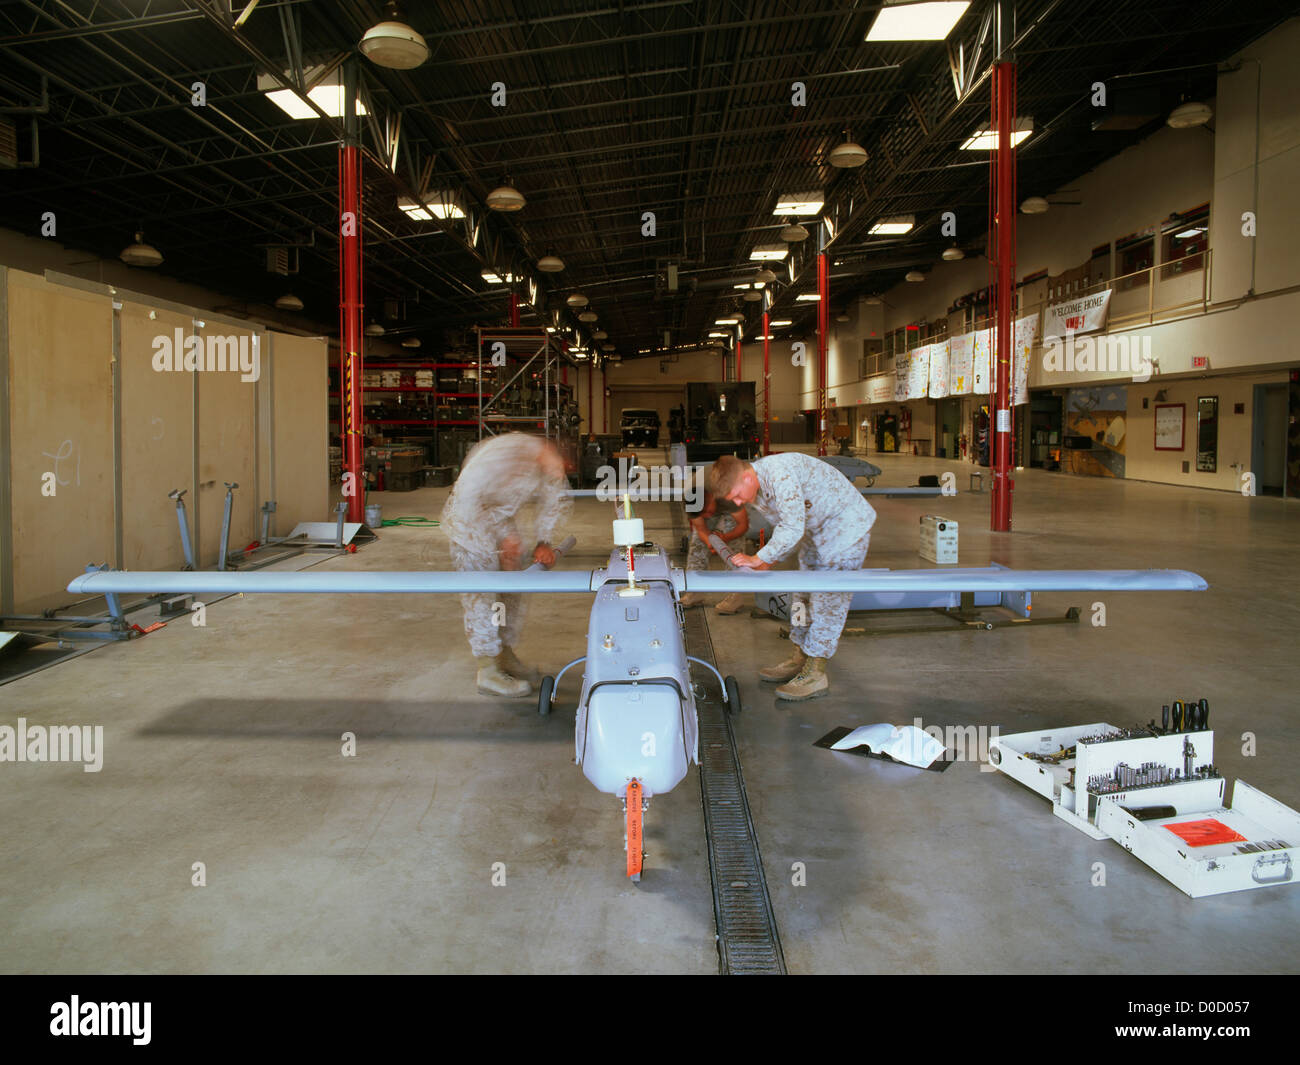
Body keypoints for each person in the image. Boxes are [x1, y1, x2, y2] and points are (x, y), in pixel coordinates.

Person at [708, 453, 876, 702]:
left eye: (735, 494)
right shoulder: (754, 488)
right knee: (801, 595)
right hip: (816, 531)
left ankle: (816, 673)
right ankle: (800, 655)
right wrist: (766, 561)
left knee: (827, 601)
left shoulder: (779, 474)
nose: (737, 502)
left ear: (746, 476)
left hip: (846, 528)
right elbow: (788, 526)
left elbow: (791, 527)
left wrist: (758, 558)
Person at [440, 433, 571, 697]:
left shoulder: (550, 463)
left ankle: (504, 654)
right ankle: (487, 669)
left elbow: (555, 499)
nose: (558, 473)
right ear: (546, 449)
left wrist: (543, 541)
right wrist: (503, 537)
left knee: (511, 589)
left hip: (502, 521)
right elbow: (468, 496)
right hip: (469, 524)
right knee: (481, 594)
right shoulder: (504, 453)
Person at [679, 488, 750, 614]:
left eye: (708, 511)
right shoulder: (690, 500)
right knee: (697, 543)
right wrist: (710, 543)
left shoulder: (729, 496)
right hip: (706, 500)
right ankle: (695, 590)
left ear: (711, 498)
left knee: (733, 547)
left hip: (730, 507)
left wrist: (724, 539)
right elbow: (701, 529)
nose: (707, 515)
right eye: (703, 513)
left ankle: (735, 595)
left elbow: (743, 525)